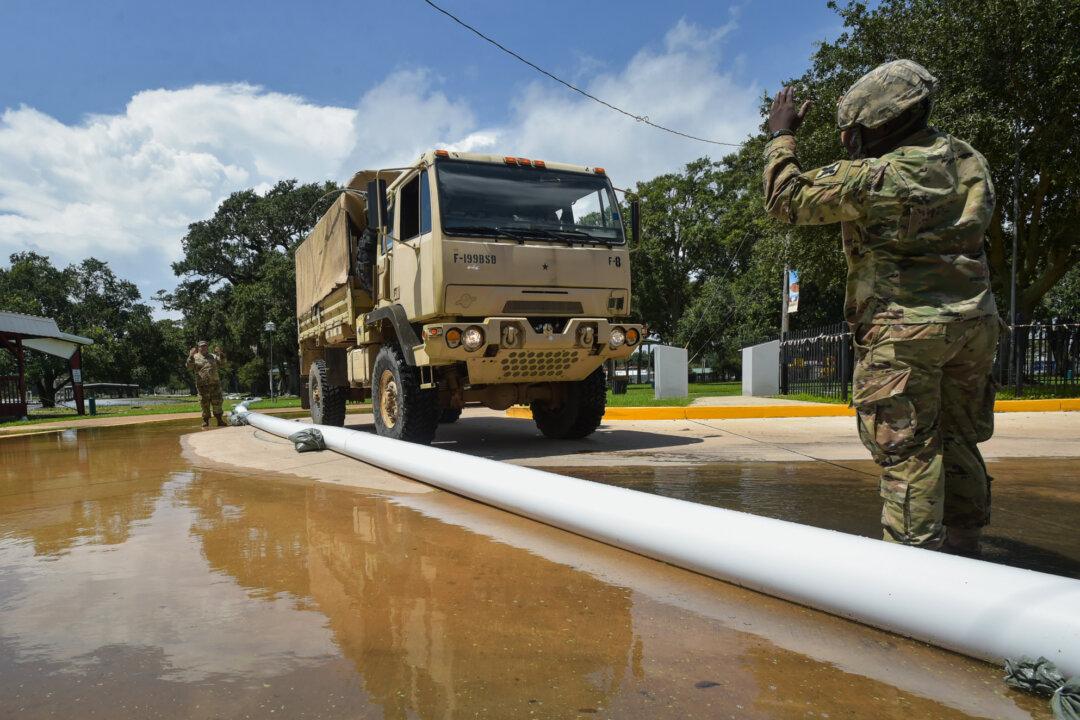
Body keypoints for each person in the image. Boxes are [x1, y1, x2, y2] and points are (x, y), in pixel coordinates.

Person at [762, 60, 1000, 556]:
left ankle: (915, 572)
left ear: (881, 126)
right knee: (959, 438)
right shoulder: (968, 160)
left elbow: (786, 199)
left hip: (904, 329)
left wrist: (781, 137)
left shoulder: (876, 176)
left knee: (908, 452)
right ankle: (967, 546)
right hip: (974, 323)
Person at [186, 340, 225, 427]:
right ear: (198, 348)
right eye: (201, 346)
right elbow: (189, 366)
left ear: (207, 347)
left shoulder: (213, 356)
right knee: (204, 404)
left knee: (217, 402)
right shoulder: (195, 357)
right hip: (202, 386)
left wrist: (221, 353)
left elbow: (222, 363)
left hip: (215, 385)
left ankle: (220, 420)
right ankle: (205, 421)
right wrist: (190, 355)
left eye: (205, 346)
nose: (203, 348)